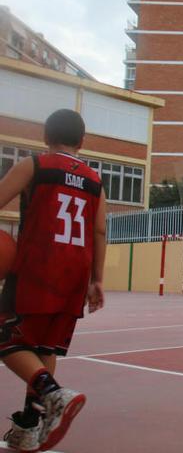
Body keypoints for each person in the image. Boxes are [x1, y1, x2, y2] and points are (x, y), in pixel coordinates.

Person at [0, 109, 106, 452]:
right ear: (82, 141)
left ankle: (53, 393)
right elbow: (100, 230)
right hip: (75, 274)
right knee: (43, 347)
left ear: (46, 137)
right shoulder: (94, 179)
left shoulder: (35, 165)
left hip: (38, 267)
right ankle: (28, 425)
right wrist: (97, 281)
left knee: (4, 336)